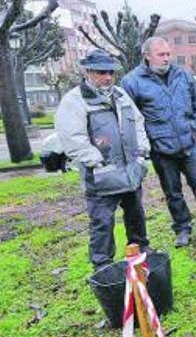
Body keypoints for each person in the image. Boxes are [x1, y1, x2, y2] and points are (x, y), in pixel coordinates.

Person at [121, 37, 196, 248]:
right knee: (173, 193)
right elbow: (131, 117)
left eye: (168, 54)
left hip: (190, 143)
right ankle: (182, 228)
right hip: (161, 149)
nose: (166, 58)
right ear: (147, 56)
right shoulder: (132, 82)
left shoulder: (183, 74)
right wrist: (147, 142)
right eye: (161, 55)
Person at [56, 49, 151, 270]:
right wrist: (96, 160)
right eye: (101, 72)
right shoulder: (75, 101)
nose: (107, 77)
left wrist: (142, 153)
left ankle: (141, 253)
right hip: (101, 177)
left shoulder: (120, 95)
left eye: (111, 72)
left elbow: (137, 123)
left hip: (130, 171)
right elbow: (72, 138)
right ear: (87, 72)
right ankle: (103, 265)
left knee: (136, 215)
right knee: (102, 222)